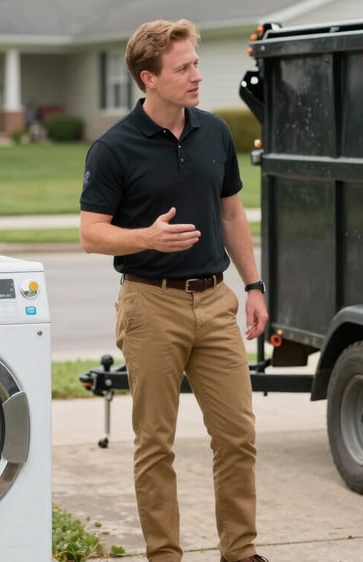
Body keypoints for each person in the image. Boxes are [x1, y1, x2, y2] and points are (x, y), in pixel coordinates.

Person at [79, 18, 269, 562]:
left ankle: (240, 551)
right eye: (183, 68)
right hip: (149, 303)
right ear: (150, 78)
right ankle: (165, 554)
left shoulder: (212, 132)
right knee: (155, 444)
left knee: (237, 436)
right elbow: (91, 233)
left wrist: (253, 285)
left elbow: (232, 213)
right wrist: (147, 237)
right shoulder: (113, 148)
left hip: (214, 301)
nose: (196, 76)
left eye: (196, 64)